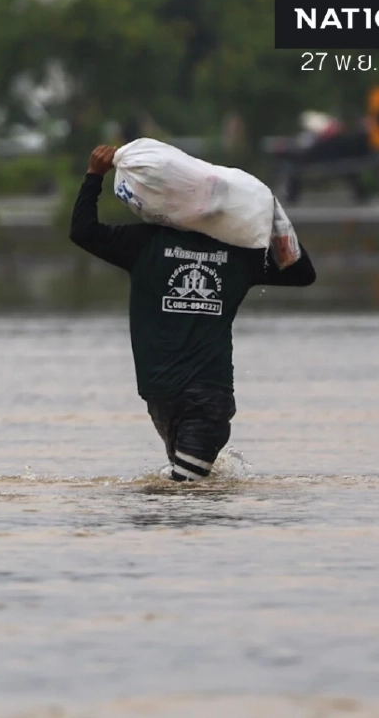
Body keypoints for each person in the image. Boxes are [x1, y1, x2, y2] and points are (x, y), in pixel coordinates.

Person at [70, 146, 317, 482]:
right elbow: (299, 270)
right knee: (181, 500)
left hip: (205, 401)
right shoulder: (231, 254)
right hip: (162, 397)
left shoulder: (146, 243)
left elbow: (83, 230)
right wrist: (276, 218)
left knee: (180, 495)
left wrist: (94, 176)